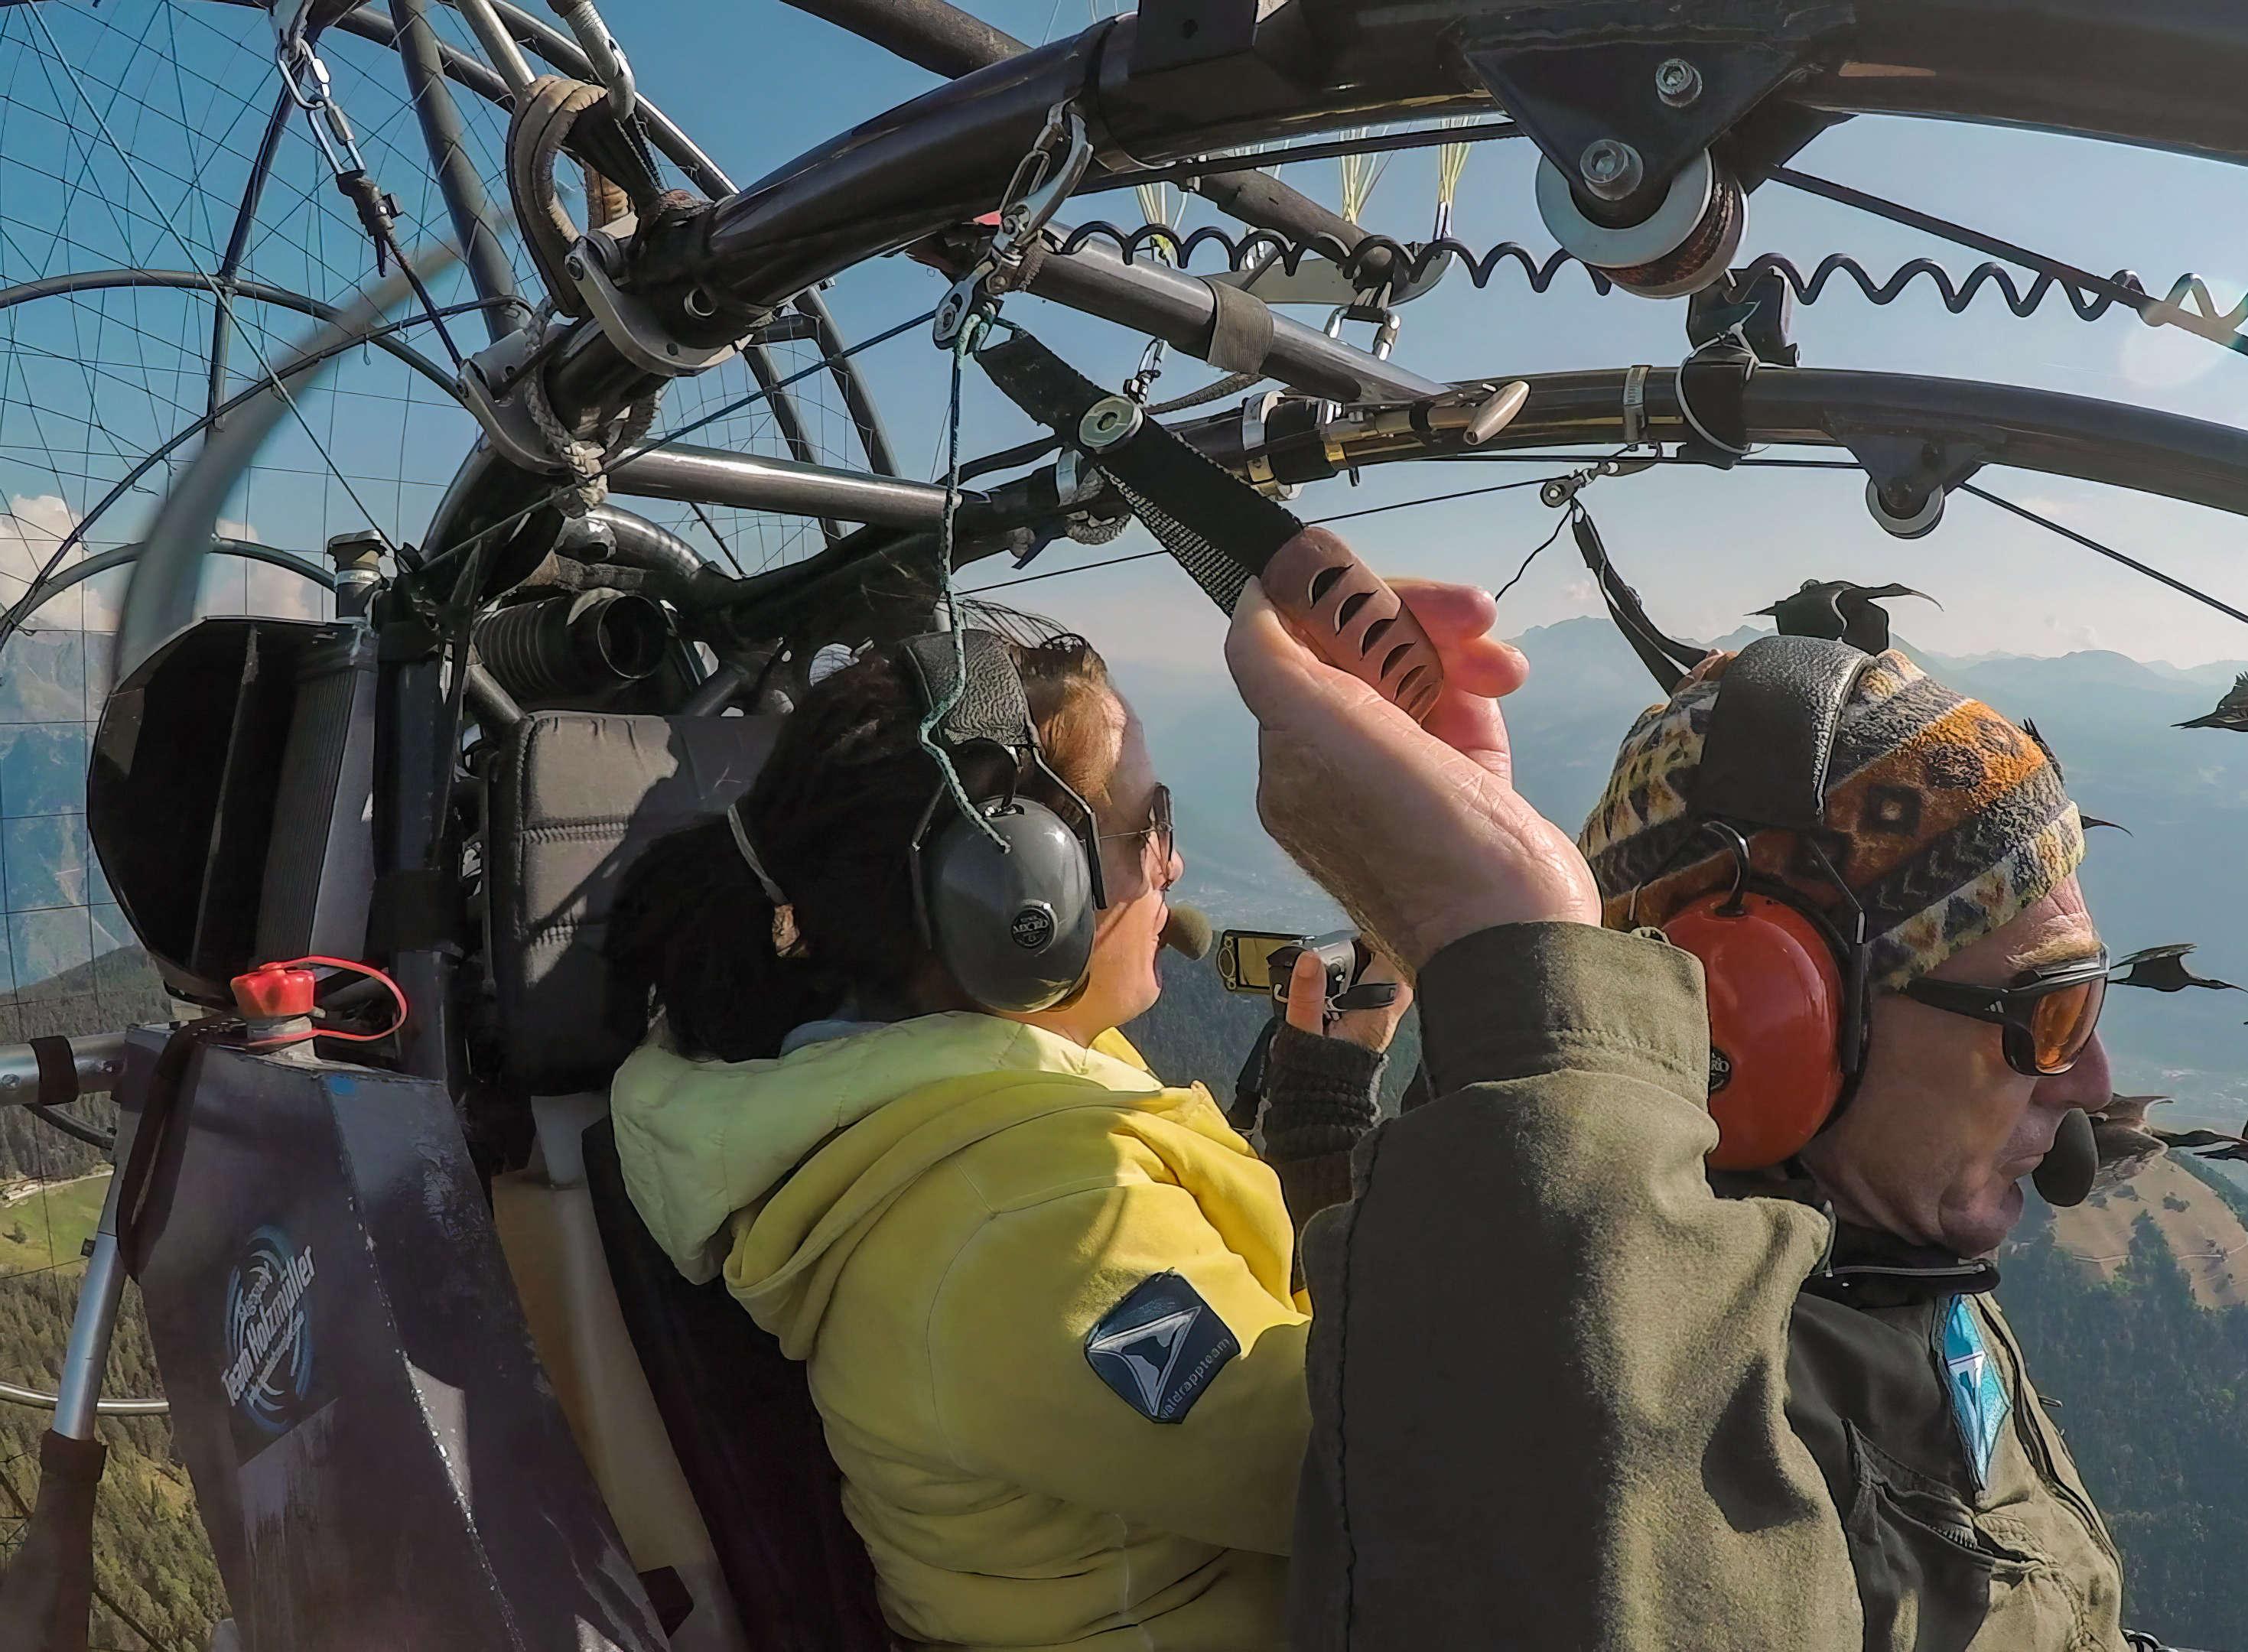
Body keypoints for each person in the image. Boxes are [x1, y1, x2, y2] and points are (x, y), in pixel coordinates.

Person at [1224, 535, 2127, 1650]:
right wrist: (1486, 939)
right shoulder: (1589, 1393)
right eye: (2049, 1013)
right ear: (1765, 1016)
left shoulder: (1902, 1261)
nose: (2093, 1082)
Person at [599, 607, 1402, 1651]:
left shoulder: (974, 1091)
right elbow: (1391, 1480)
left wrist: (1321, 1104)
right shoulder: (1023, 1225)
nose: (1174, 864)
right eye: (1149, 822)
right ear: (1023, 903)